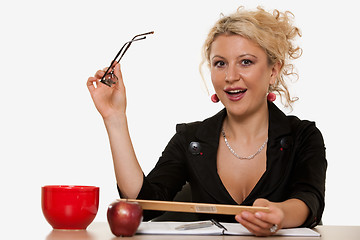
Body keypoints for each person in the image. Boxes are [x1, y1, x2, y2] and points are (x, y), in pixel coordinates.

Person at [87, 6, 327, 237]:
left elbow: (310, 199)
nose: (230, 77)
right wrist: (114, 117)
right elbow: (142, 204)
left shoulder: (303, 135)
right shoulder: (190, 139)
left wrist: (281, 214)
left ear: (274, 70)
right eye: (220, 63)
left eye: (246, 62)